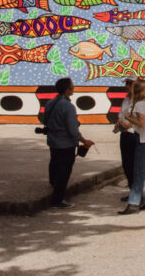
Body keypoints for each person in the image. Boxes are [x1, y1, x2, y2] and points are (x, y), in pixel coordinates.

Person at [44, 77, 95, 209]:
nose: (74, 88)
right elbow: (73, 130)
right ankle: (57, 199)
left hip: (53, 140)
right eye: (72, 86)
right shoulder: (68, 106)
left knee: (54, 162)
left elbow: (45, 120)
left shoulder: (50, 103)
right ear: (67, 90)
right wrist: (85, 141)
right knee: (64, 171)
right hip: (65, 143)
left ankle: (53, 183)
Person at [119, 79, 145, 214]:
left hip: (143, 140)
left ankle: (134, 203)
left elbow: (141, 124)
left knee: (139, 173)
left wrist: (128, 118)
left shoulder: (140, 104)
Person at [113, 74, 138, 202]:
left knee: (133, 165)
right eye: (126, 83)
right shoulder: (126, 100)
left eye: (129, 83)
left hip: (133, 135)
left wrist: (123, 123)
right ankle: (132, 191)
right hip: (124, 134)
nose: (126, 86)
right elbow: (121, 115)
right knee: (126, 165)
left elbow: (133, 121)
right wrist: (119, 122)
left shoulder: (138, 101)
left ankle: (137, 193)